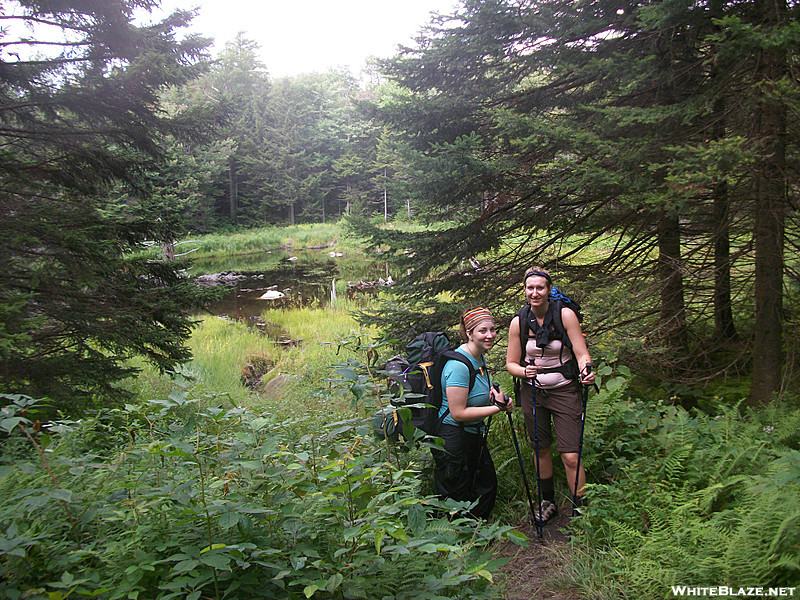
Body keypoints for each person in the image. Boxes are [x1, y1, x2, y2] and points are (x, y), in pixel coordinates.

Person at [506, 268, 595, 522]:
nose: (535, 293)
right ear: (525, 291)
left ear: (548, 290)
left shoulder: (564, 315)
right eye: (530, 288)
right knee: (540, 449)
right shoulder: (519, 322)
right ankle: (548, 502)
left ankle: (582, 509)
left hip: (565, 389)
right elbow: (510, 363)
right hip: (532, 392)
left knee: (570, 454)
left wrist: (586, 371)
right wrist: (524, 371)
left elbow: (581, 353)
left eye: (540, 288)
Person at [433, 306, 513, 519]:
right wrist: (497, 408)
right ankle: (456, 540)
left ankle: (475, 533)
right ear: (469, 333)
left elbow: (475, 394)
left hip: (471, 433)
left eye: (493, 329)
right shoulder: (458, 365)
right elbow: (457, 412)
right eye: (483, 331)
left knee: (484, 484)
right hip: (452, 436)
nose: (490, 335)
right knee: (456, 491)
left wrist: (496, 398)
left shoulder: (479, 357)